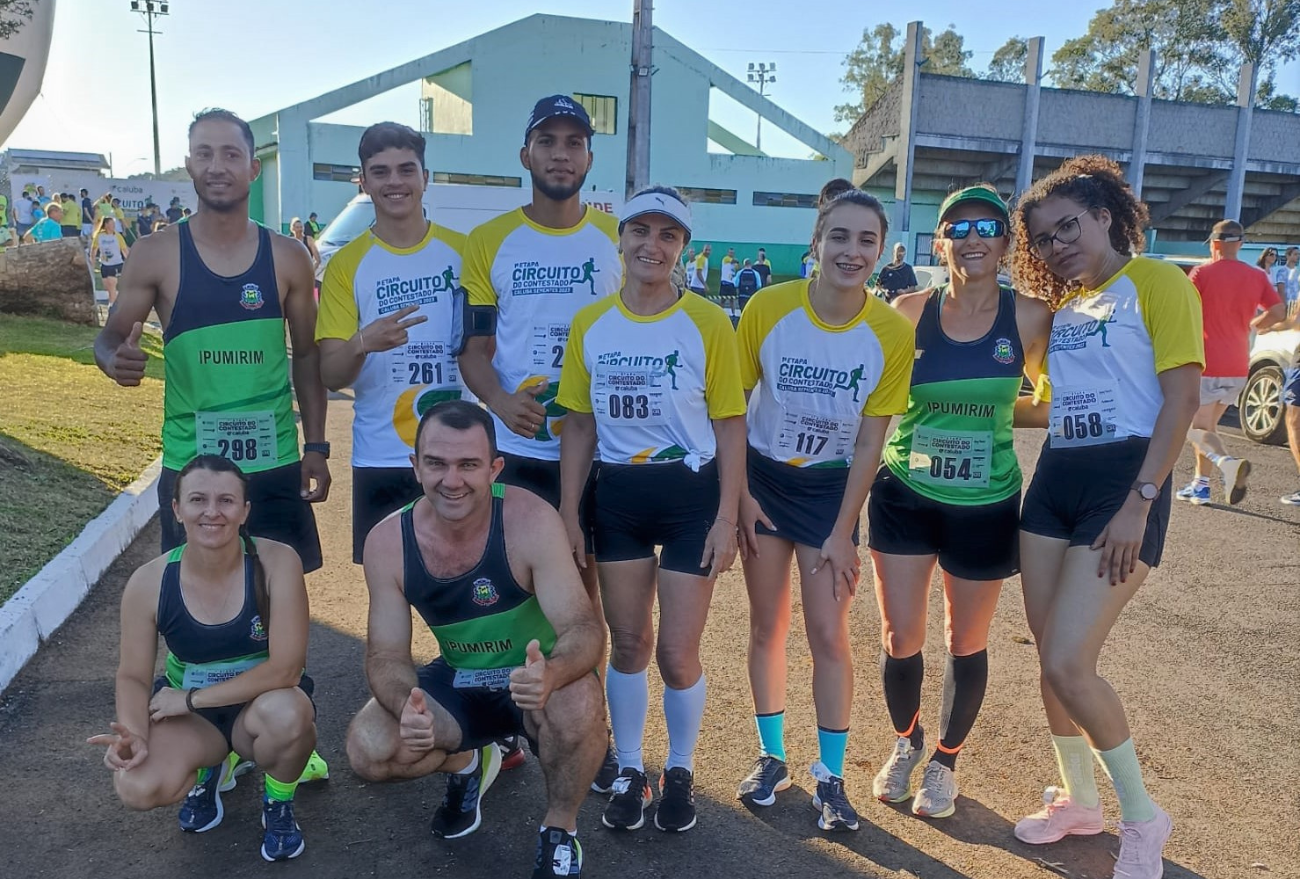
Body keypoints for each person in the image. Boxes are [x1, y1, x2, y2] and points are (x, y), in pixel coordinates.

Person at [1009, 155, 1202, 878]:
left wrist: (1140, 501)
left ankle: (1143, 817)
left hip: (1124, 485)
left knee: (1069, 659)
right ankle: (1079, 800)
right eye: (1046, 238)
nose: (1060, 244)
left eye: (1070, 226)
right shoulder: (1065, 307)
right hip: (1055, 479)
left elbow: (1180, 401)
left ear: (1105, 215)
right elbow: (1050, 406)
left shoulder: (1158, 283)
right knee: (1047, 658)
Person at [344, 401, 606, 879]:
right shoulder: (386, 541)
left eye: (468, 465)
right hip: (460, 681)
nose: (452, 479)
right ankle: (468, 764)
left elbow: (583, 630)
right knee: (369, 747)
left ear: (494, 468)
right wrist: (408, 706)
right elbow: (385, 655)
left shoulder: (530, 520)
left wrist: (553, 673)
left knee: (580, 704)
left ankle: (559, 830)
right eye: (437, 463)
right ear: (415, 466)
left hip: (536, 681)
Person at [557, 186, 747, 834]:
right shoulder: (591, 324)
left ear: (682, 249)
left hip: (690, 496)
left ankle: (682, 768)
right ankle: (633, 768)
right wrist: (565, 513)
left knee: (676, 652)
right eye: (640, 230)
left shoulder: (708, 323)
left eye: (668, 235)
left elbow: (730, 424)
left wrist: (727, 516)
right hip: (619, 496)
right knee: (630, 641)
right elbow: (578, 425)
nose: (652, 245)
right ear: (621, 239)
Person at [867, 185, 1052, 821]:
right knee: (900, 636)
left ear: (1005, 242)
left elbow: (1054, 401)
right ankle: (905, 743)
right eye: (958, 227)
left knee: (964, 639)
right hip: (905, 494)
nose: (972, 238)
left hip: (986, 502)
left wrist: (993, 417)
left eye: (987, 227)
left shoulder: (1029, 315)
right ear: (939, 240)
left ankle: (944, 761)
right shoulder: (906, 308)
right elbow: (877, 399)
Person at [734, 189, 914, 831]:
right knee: (767, 626)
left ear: (881, 249)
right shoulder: (768, 307)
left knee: (829, 634)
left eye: (867, 240)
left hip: (829, 495)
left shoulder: (890, 330)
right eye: (839, 237)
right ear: (817, 242)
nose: (852, 251)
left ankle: (831, 778)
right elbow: (734, 405)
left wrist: (844, 531)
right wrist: (738, 495)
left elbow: (872, 438)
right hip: (763, 483)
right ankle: (772, 756)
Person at [457, 94, 623, 787]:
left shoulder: (617, 237)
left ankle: (595, 734)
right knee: (505, 593)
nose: (561, 153)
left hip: (602, 450)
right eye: (547, 140)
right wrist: (499, 400)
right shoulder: (489, 240)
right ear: (525, 154)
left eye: (574, 141)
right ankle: (503, 728)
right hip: (520, 451)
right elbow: (472, 348)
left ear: (589, 156)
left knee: (583, 599)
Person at [94, 108, 331, 576]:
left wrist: (317, 448)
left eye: (230, 154)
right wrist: (112, 360)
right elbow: (109, 338)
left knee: (280, 601)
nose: (217, 166)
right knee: (198, 606)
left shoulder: (287, 257)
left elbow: (306, 355)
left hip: (274, 462)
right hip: (193, 470)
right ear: (189, 165)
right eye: (204, 153)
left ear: (253, 167)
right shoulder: (154, 254)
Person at [86, 455, 318, 861]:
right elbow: (133, 676)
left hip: (256, 707)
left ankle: (278, 802)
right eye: (197, 500)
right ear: (177, 509)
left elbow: (287, 668)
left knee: (291, 714)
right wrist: (135, 735)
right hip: (196, 720)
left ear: (245, 511)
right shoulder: (148, 582)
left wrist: (191, 699)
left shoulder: (277, 562)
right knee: (136, 785)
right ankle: (208, 769)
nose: (212, 512)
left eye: (227, 501)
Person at [318, 122, 466, 566]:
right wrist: (363, 341)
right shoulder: (346, 265)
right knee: (388, 593)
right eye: (380, 172)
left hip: (457, 456)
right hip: (382, 453)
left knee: (466, 589)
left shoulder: (466, 252)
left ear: (426, 176)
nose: (395, 182)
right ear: (363, 181)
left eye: (406, 169)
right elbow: (330, 373)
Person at [1174, 220, 1285, 506]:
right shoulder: (1257, 276)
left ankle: (1227, 463)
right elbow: (1278, 311)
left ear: (1214, 244)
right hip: (1238, 365)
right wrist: (1255, 324)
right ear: (1240, 244)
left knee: (1192, 428)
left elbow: (1180, 309)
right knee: (1207, 426)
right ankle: (1201, 485)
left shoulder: (1202, 273)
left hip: (1205, 360)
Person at [91, 216, 130, 304]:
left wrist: (129, 262)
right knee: (107, 287)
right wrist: (92, 263)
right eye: (111, 224)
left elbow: (124, 250)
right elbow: (93, 250)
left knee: (112, 285)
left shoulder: (117, 236)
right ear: (106, 225)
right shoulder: (99, 236)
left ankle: (112, 306)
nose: (113, 226)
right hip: (104, 265)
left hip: (116, 264)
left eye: (114, 224)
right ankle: (115, 302)